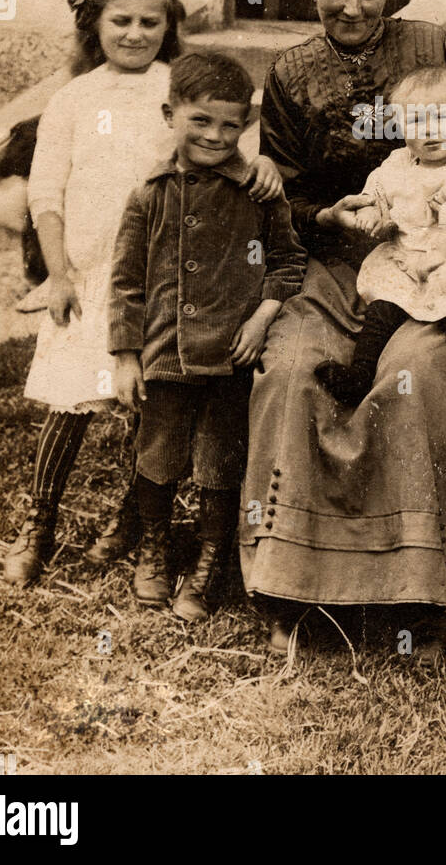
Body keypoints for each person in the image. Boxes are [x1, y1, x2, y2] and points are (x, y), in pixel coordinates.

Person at [240, 0, 446, 663]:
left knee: (414, 376)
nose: (355, 6)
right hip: (333, 263)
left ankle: (415, 591)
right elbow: (283, 196)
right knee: (293, 371)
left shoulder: (434, 48)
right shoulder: (291, 73)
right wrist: (325, 214)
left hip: (431, 266)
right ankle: (288, 587)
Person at [2, 0, 283, 586]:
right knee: (69, 398)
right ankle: (38, 525)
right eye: (120, 21)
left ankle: (130, 520)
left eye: (149, 22)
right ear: (93, 25)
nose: (134, 33)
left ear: (169, 25)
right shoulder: (73, 97)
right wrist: (59, 274)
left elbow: (227, 149)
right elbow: (46, 191)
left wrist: (263, 168)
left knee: (152, 404)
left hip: (163, 281)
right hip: (88, 273)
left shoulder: (179, 89)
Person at [108, 51, 306, 619]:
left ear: (246, 124)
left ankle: (210, 561)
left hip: (230, 356)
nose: (216, 136)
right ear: (171, 113)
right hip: (164, 353)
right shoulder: (151, 192)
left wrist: (262, 316)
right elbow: (125, 282)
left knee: (220, 461)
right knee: (159, 453)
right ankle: (154, 548)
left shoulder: (259, 191)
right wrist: (125, 356)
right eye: (200, 121)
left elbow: (288, 263)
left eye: (230, 124)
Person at [315, 65, 446, 420]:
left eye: (441, 118)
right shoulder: (397, 163)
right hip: (407, 253)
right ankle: (361, 375)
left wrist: (434, 259)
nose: (430, 132)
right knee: (382, 310)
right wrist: (376, 216)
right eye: (416, 123)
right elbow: (376, 194)